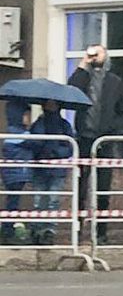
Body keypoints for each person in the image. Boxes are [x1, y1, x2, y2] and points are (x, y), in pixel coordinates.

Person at [68, 44, 123, 244]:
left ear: (106, 56)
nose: (95, 56)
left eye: (98, 52)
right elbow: (71, 90)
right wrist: (83, 64)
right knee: (81, 185)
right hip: (84, 139)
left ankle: (100, 232)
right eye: (91, 52)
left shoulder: (115, 81)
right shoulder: (83, 78)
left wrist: (113, 130)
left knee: (103, 187)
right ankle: (77, 228)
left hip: (105, 140)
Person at [29, 99, 76, 246]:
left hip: (57, 170)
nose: (51, 107)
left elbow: (70, 146)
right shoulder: (38, 124)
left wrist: (56, 152)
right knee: (38, 201)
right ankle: (37, 230)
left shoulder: (64, 125)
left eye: (53, 104)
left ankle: (49, 231)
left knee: (53, 201)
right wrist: (43, 150)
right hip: (40, 169)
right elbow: (33, 143)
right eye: (48, 104)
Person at [1, 98, 32, 245]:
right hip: (15, 174)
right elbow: (33, 144)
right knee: (12, 202)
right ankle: (7, 231)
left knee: (13, 201)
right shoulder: (18, 135)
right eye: (27, 115)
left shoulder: (15, 133)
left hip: (15, 174)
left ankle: (8, 229)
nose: (29, 119)